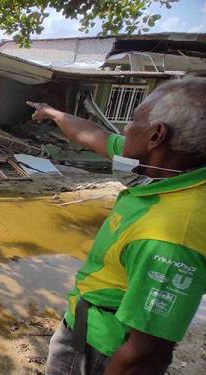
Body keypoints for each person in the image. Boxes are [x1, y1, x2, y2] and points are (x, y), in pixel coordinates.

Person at [27, 76, 206, 375]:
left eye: (134, 119)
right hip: (87, 325)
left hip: (100, 349)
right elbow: (91, 134)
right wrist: (52, 112)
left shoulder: (172, 235)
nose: (125, 128)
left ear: (156, 136)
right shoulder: (164, 171)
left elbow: (144, 354)